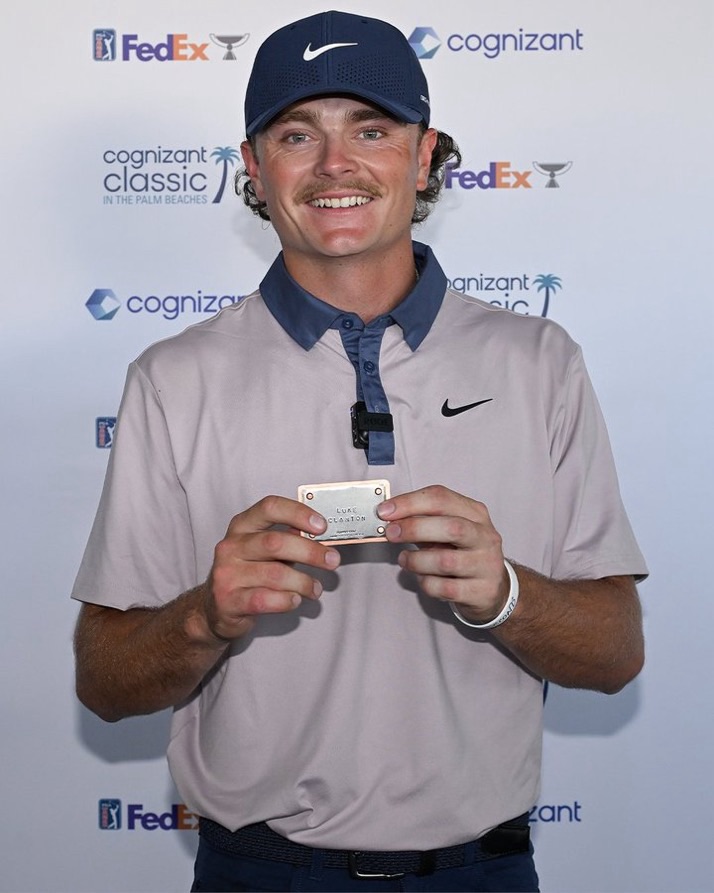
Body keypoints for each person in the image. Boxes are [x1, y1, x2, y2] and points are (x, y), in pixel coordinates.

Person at [73, 10, 647, 892]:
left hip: (481, 872)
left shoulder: (539, 361)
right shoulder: (174, 377)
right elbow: (104, 680)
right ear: (254, 167)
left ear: (423, 158)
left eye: (371, 130)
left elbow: (616, 653)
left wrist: (506, 593)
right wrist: (206, 615)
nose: (335, 164)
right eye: (297, 134)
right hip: (259, 872)